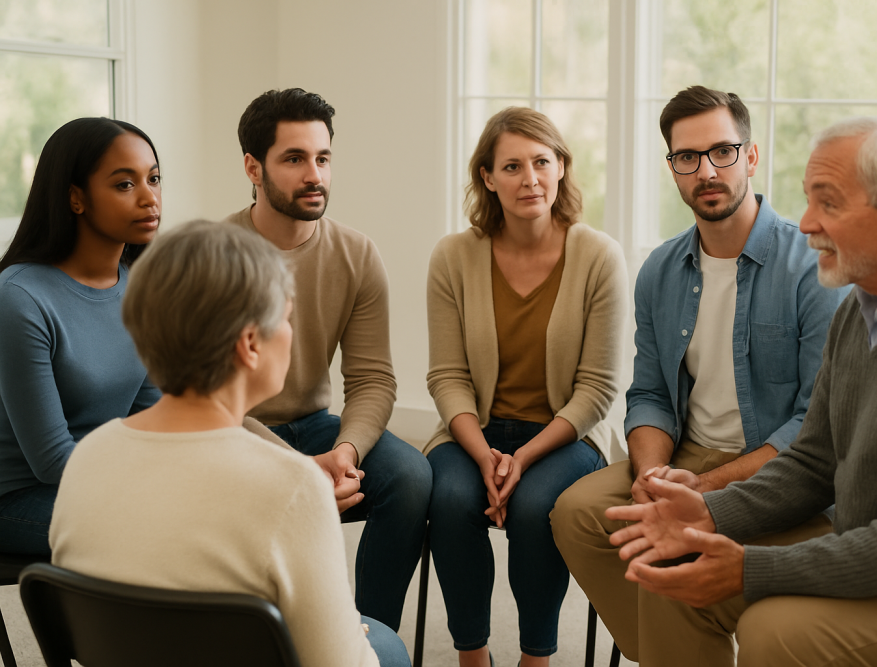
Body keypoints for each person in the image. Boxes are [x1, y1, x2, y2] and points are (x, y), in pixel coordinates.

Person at [606, 116, 877, 666]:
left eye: (828, 204)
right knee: (675, 576)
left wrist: (748, 568)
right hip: (871, 551)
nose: (805, 224)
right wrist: (708, 514)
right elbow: (812, 460)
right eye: (808, 201)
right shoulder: (860, 306)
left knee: (775, 630)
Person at [551, 86, 847, 663]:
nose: (706, 170)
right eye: (687, 158)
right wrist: (654, 471)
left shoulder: (812, 267)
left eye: (722, 152)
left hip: (783, 473)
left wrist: (704, 490)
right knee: (576, 513)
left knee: (677, 563)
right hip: (686, 456)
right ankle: (674, 647)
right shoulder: (660, 269)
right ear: (673, 168)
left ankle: (681, 635)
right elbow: (650, 393)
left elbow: (816, 424)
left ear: (752, 157)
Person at [49, 221, 411, 667]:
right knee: (387, 647)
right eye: (287, 318)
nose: (292, 334)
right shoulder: (294, 489)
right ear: (250, 345)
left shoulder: (88, 456)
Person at [426, 106, 628, 667]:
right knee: (448, 498)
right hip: (475, 431)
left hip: (565, 436)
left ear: (562, 167)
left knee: (540, 505)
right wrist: (485, 455)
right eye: (511, 166)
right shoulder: (453, 256)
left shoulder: (599, 257)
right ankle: (472, 654)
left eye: (542, 161)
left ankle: (535, 658)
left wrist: (524, 458)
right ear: (487, 177)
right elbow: (447, 376)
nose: (530, 178)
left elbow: (598, 388)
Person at [223, 88, 432, 630]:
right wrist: (297, 468)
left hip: (317, 429)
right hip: (234, 435)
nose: (314, 173)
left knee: (410, 477)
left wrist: (344, 449)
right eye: (293, 159)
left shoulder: (357, 253)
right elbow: (206, 399)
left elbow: (372, 378)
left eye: (322, 157)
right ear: (253, 166)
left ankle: (368, 639)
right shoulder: (213, 255)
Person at [0, 117, 162, 554]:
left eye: (154, 179)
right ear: (76, 198)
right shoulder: (19, 298)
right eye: (125, 185)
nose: (150, 198)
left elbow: (154, 417)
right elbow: (53, 461)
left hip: (100, 479)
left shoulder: (139, 288)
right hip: (20, 498)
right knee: (170, 528)